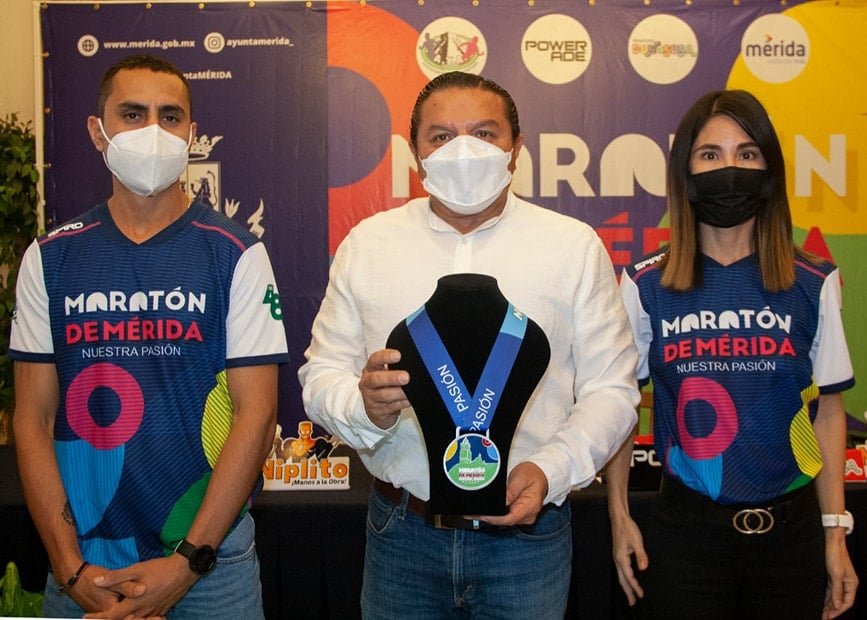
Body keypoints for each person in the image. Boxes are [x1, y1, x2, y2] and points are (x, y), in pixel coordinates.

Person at [298, 70, 640, 618]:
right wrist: (364, 407)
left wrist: (550, 471)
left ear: (516, 148)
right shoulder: (368, 245)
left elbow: (613, 391)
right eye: (441, 136)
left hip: (527, 540)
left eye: (483, 134)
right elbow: (320, 376)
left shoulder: (572, 248)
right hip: (403, 533)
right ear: (415, 154)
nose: (463, 150)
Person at [9, 54, 288, 619]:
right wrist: (68, 566)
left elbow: (255, 417)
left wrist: (188, 561)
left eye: (170, 116)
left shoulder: (236, 253)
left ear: (190, 134)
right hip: (86, 564)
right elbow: (32, 418)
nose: (153, 131)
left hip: (212, 566)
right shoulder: (50, 257)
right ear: (98, 131)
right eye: (133, 114)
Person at [606, 90, 859, 619]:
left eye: (747, 153)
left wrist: (835, 532)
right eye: (710, 154)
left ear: (769, 171)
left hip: (791, 541)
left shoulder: (813, 282)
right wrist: (618, 515)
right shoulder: (646, 284)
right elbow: (619, 407)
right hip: (686, 540)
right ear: (686, 172)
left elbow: (829, 412)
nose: (730, 169)